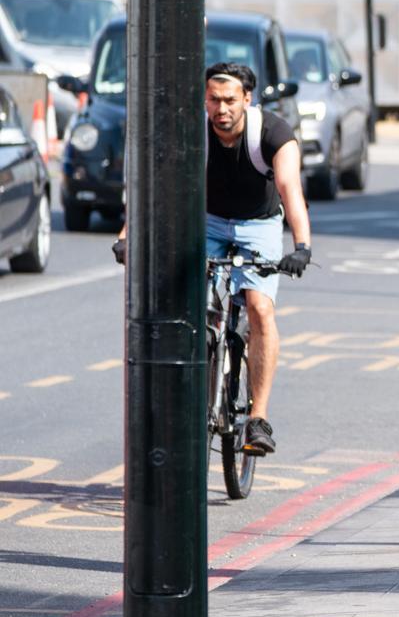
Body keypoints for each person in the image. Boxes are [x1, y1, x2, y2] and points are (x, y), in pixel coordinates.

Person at [113, 62, 312, 455]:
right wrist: (125, 236)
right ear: (204, 99)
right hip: (207, 221)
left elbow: (290, 189)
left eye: (230, 100)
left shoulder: (273, 134)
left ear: (247, 99)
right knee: (189, 301)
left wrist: (302, 247)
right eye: (214, 100)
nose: (222, 109)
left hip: (259, 224)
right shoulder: (192, 132)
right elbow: (157, 187)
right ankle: (192, 389)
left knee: (259, 308)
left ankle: (258, 418)